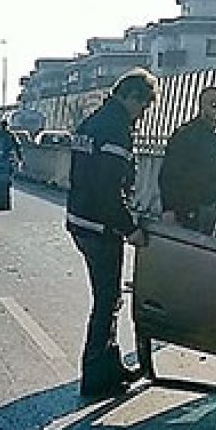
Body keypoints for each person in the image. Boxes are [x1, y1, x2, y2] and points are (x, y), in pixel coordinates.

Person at [67, 68, 156, 398]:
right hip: (100, 227)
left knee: (107, 298)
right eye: (143, 107)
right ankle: (96, 375)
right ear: (133, 98)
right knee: (107, 300)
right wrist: (129, 228)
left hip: (79, 221)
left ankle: (109, 365)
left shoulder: (90, 123)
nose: (142, 115)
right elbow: (108, 191)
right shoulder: (116, 130)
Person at [159, 86, 216, 234]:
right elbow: (169, 173)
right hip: (188, 204)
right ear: (201, 106)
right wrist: (168, 208)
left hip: (209, 205)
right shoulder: (186, 135)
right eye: (213, 104)